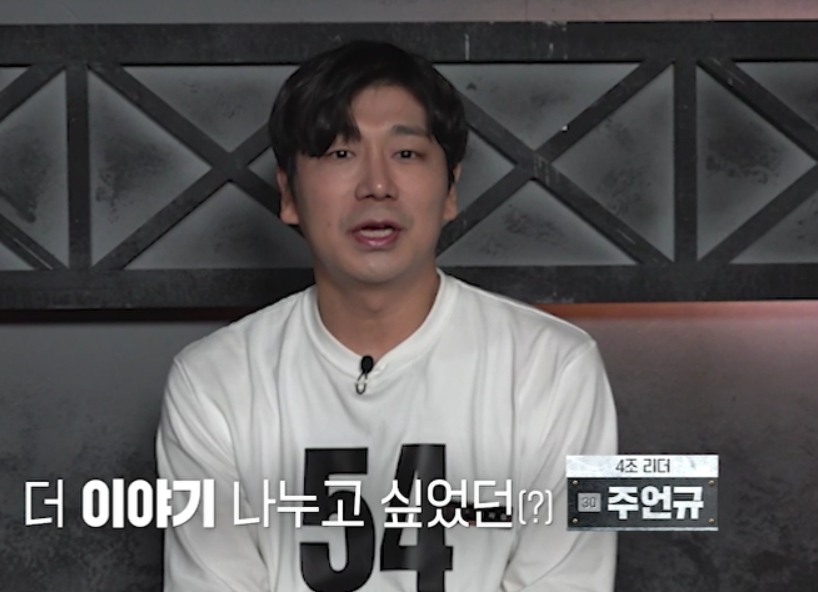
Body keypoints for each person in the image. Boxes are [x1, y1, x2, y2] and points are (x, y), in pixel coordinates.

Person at [156, 39, 618, 592]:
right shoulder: (211, 382)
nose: (376, 185)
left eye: (406, 154)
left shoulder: (559, 368)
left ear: (451, 189)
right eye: (340, 154)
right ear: (289, 195)